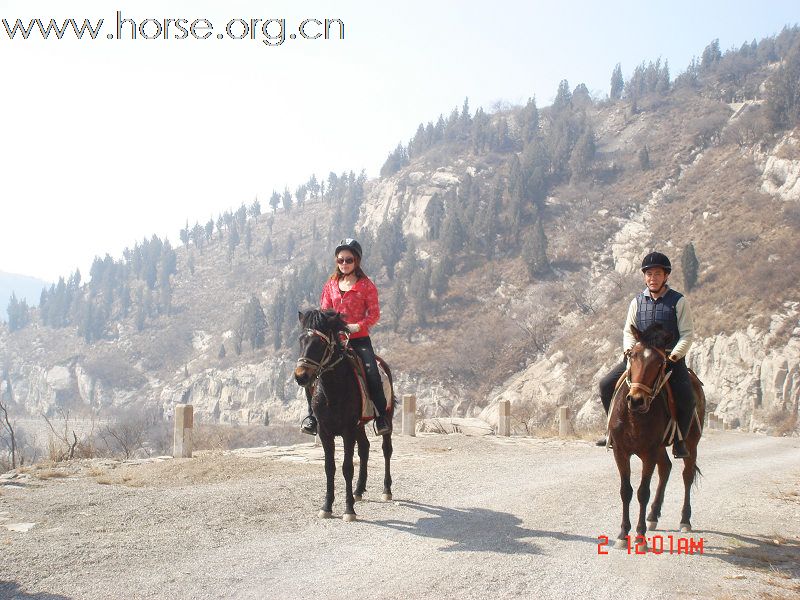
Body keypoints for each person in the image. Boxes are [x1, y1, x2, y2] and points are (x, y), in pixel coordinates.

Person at [596, 252, 695, 458]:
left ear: (666, 276)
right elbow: (627, 330)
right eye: (649, 274)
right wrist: (629, 351)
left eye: (657, 274)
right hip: (639, 359)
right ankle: (612, 432)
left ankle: (679, 441)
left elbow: (686, 333)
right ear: (644, 277)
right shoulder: (637, 302)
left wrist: (675, 356)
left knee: (687, 398)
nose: (653, 278)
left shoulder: (678, 301)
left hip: (669, 359)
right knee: (605, 384)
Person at [300, 238, 392, 436]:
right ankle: (312, 417)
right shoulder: (330, 285)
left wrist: (357, 326)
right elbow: (324, 311)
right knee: (311, 369)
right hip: (334, 341)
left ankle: (381, 416)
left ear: (356, 261)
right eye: (340, 260)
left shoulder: (367, 286)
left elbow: (374, 314)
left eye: (348, 260)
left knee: (372, 372)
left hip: (359, 339)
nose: (344, 264)